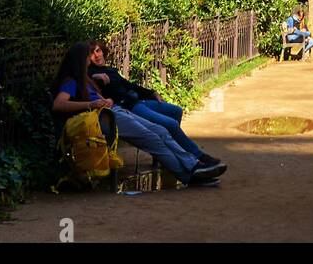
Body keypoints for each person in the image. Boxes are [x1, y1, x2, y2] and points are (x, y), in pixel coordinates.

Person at [51, 41, 225, 186]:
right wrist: (93, 103)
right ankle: (189, 176)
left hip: (114, 112)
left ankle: (193, 165)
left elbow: (108, 94)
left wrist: (107, 101)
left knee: (161, 131)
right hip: (106, 119)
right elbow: (58, 105)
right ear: (80, 60)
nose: (91, 59)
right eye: (87, 56)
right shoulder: (71, 81)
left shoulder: (84, 79)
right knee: (153, 139)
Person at [88, 42, 223, 171]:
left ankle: (169, 154)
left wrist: (152, 93)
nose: (97, 55)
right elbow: (84, 77)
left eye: (98, 51)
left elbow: (129, 85)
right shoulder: (91, 73)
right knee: (170, 124)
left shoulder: (110, 70)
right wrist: (94, 75)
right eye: (92, 53)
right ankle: (198, 156)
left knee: (176, 111)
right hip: (129, 108)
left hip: (138, 102)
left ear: (103, 51)